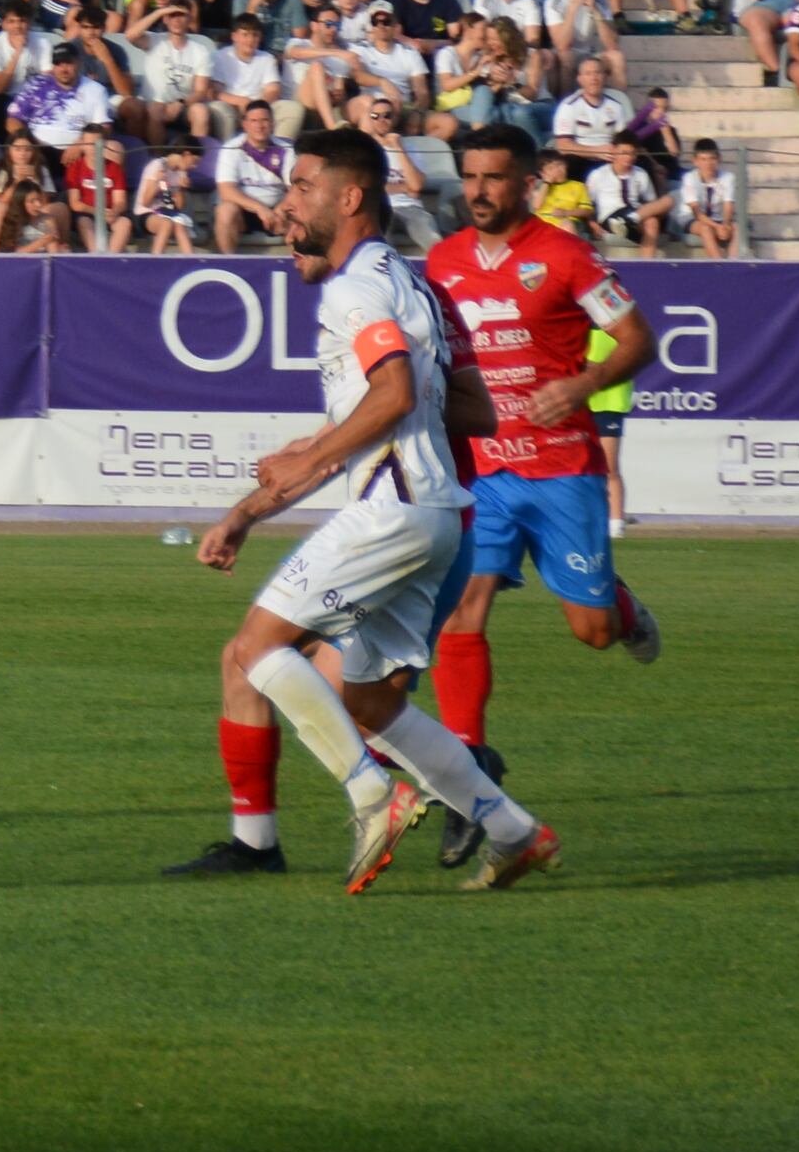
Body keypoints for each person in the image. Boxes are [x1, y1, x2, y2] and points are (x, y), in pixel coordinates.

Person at [165, 124, 559, 892]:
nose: (285, 206)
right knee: (371, 699)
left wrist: (313, 457)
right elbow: (471, 410)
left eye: (302, 187)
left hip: (395, 506)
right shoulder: (416, 285)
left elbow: (396, 393)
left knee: (254, 651)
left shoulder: (355, 286)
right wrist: (331, 443)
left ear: (351, 197)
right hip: (439, 510)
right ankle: (514, 830)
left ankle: (372, 792)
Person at [419, 127, 665, 857]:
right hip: (484, 466)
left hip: (562, 466)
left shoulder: (566, 255)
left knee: (591, 631)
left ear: (527, 182)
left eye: (495, 178)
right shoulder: (442, 260)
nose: (479, 191)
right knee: (464, 608)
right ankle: (468, 771)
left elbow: (637, 338)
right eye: (470, 177)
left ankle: (617, 602)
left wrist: (586, 382)